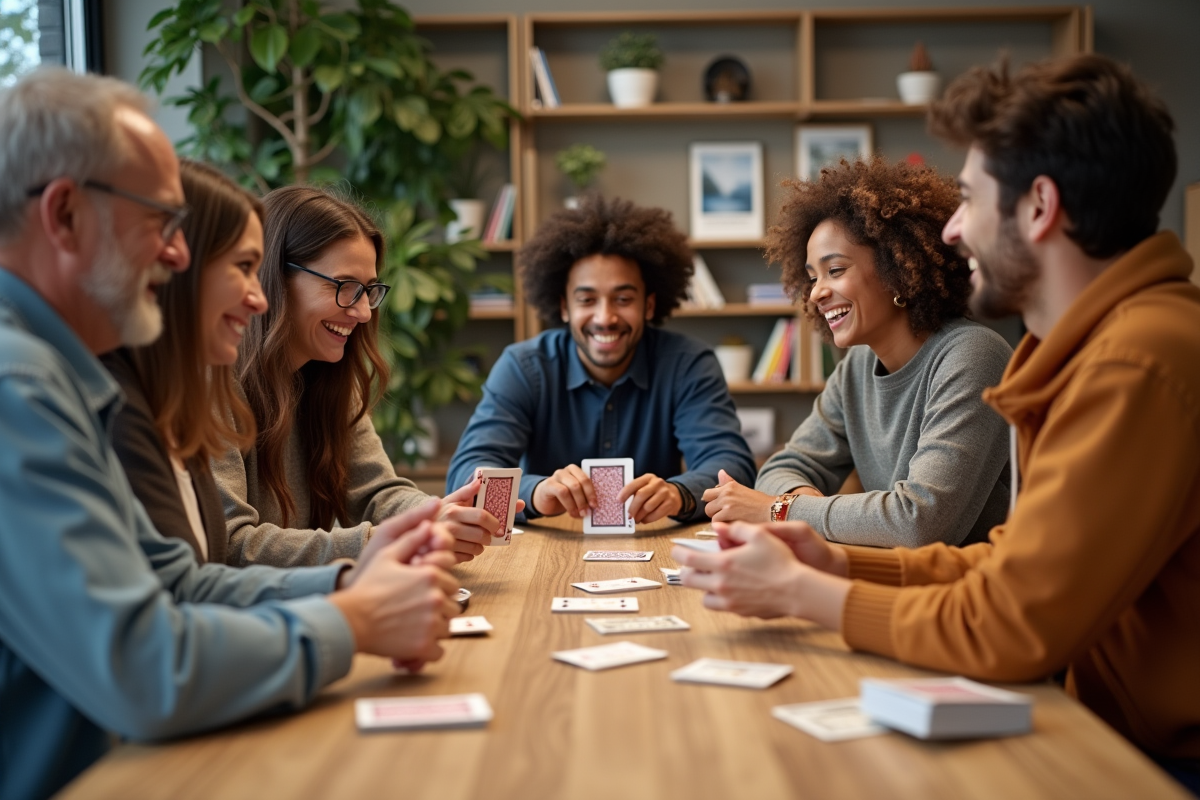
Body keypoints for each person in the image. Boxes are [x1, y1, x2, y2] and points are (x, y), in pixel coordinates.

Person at [671, 54, 1200, 791]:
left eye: (972, 200)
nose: (953, 230)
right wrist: (840, 561)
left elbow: (1010, 623)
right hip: (1101, 725)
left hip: (1155, 763)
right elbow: (1008, 561)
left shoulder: (1134, 360)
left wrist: (805, 592)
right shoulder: (1094, 348)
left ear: (1039, 207)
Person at [0, 69, 460, 800]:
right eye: (160, 221)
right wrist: (351, 617)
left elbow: (178, 579)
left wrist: (347, 585)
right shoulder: (20, 386)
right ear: (64, 217)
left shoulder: (63, 373)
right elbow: (142, 665)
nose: (179, 255)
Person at [702, 157, 1012, 547]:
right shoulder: (858, 367)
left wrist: (780, 510)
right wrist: (801, 505)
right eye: (813, 278)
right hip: (907, 582)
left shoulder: (972, 356)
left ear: (897, 267)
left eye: (835, 270)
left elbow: (918, 521)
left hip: (977, 593)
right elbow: (785, 467)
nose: (816, 293)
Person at [210, 185, 511, 567]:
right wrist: (376, 543)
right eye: (345, 287)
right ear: (275, 277)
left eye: (368, 291)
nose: (364, 312)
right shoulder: (214, 381)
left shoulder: (330, 378)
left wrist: (431, 515)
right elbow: (230, 544)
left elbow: (377, 493)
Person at [446, 194, 757, 523]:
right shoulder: (523, 367)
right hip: (539, 553)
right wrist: (536, 493)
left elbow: (731, 468)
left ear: (649, 306)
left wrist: (677, 494)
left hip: (653, 546)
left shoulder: (688, 365)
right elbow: (466, 476)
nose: (605, 317)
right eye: (587, 299)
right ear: (564, 307)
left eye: (623, 298)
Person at [101, 160, 266, 563]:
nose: (260, 298)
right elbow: (175, 600)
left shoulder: (175, 408)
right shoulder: (112, 406)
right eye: (244, 267)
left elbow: (195, 584)